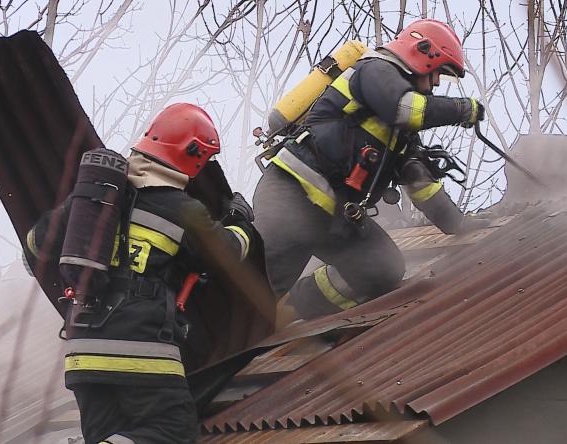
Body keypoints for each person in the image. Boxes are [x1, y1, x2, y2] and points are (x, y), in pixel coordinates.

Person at [24, 103, 256, 443]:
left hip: (83, 353)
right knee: (172, 434)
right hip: (142, 349)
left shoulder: (93, 198)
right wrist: (240, 222)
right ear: (193, 155)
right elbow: (227, 256)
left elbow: (35, 246)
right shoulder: (182, 209)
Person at [253, 19, 489, 322]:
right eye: (438, 74)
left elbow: (421, 185)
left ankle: (293, 312)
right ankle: (222, 344)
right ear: (421, 54)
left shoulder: (399, 134)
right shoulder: (375, 70)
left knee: (383, 268)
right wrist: (462, 109)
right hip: (294, 195)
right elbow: (406, 110)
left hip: (335, 212)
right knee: (259, 284)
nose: (437, 85)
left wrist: (460, 225)